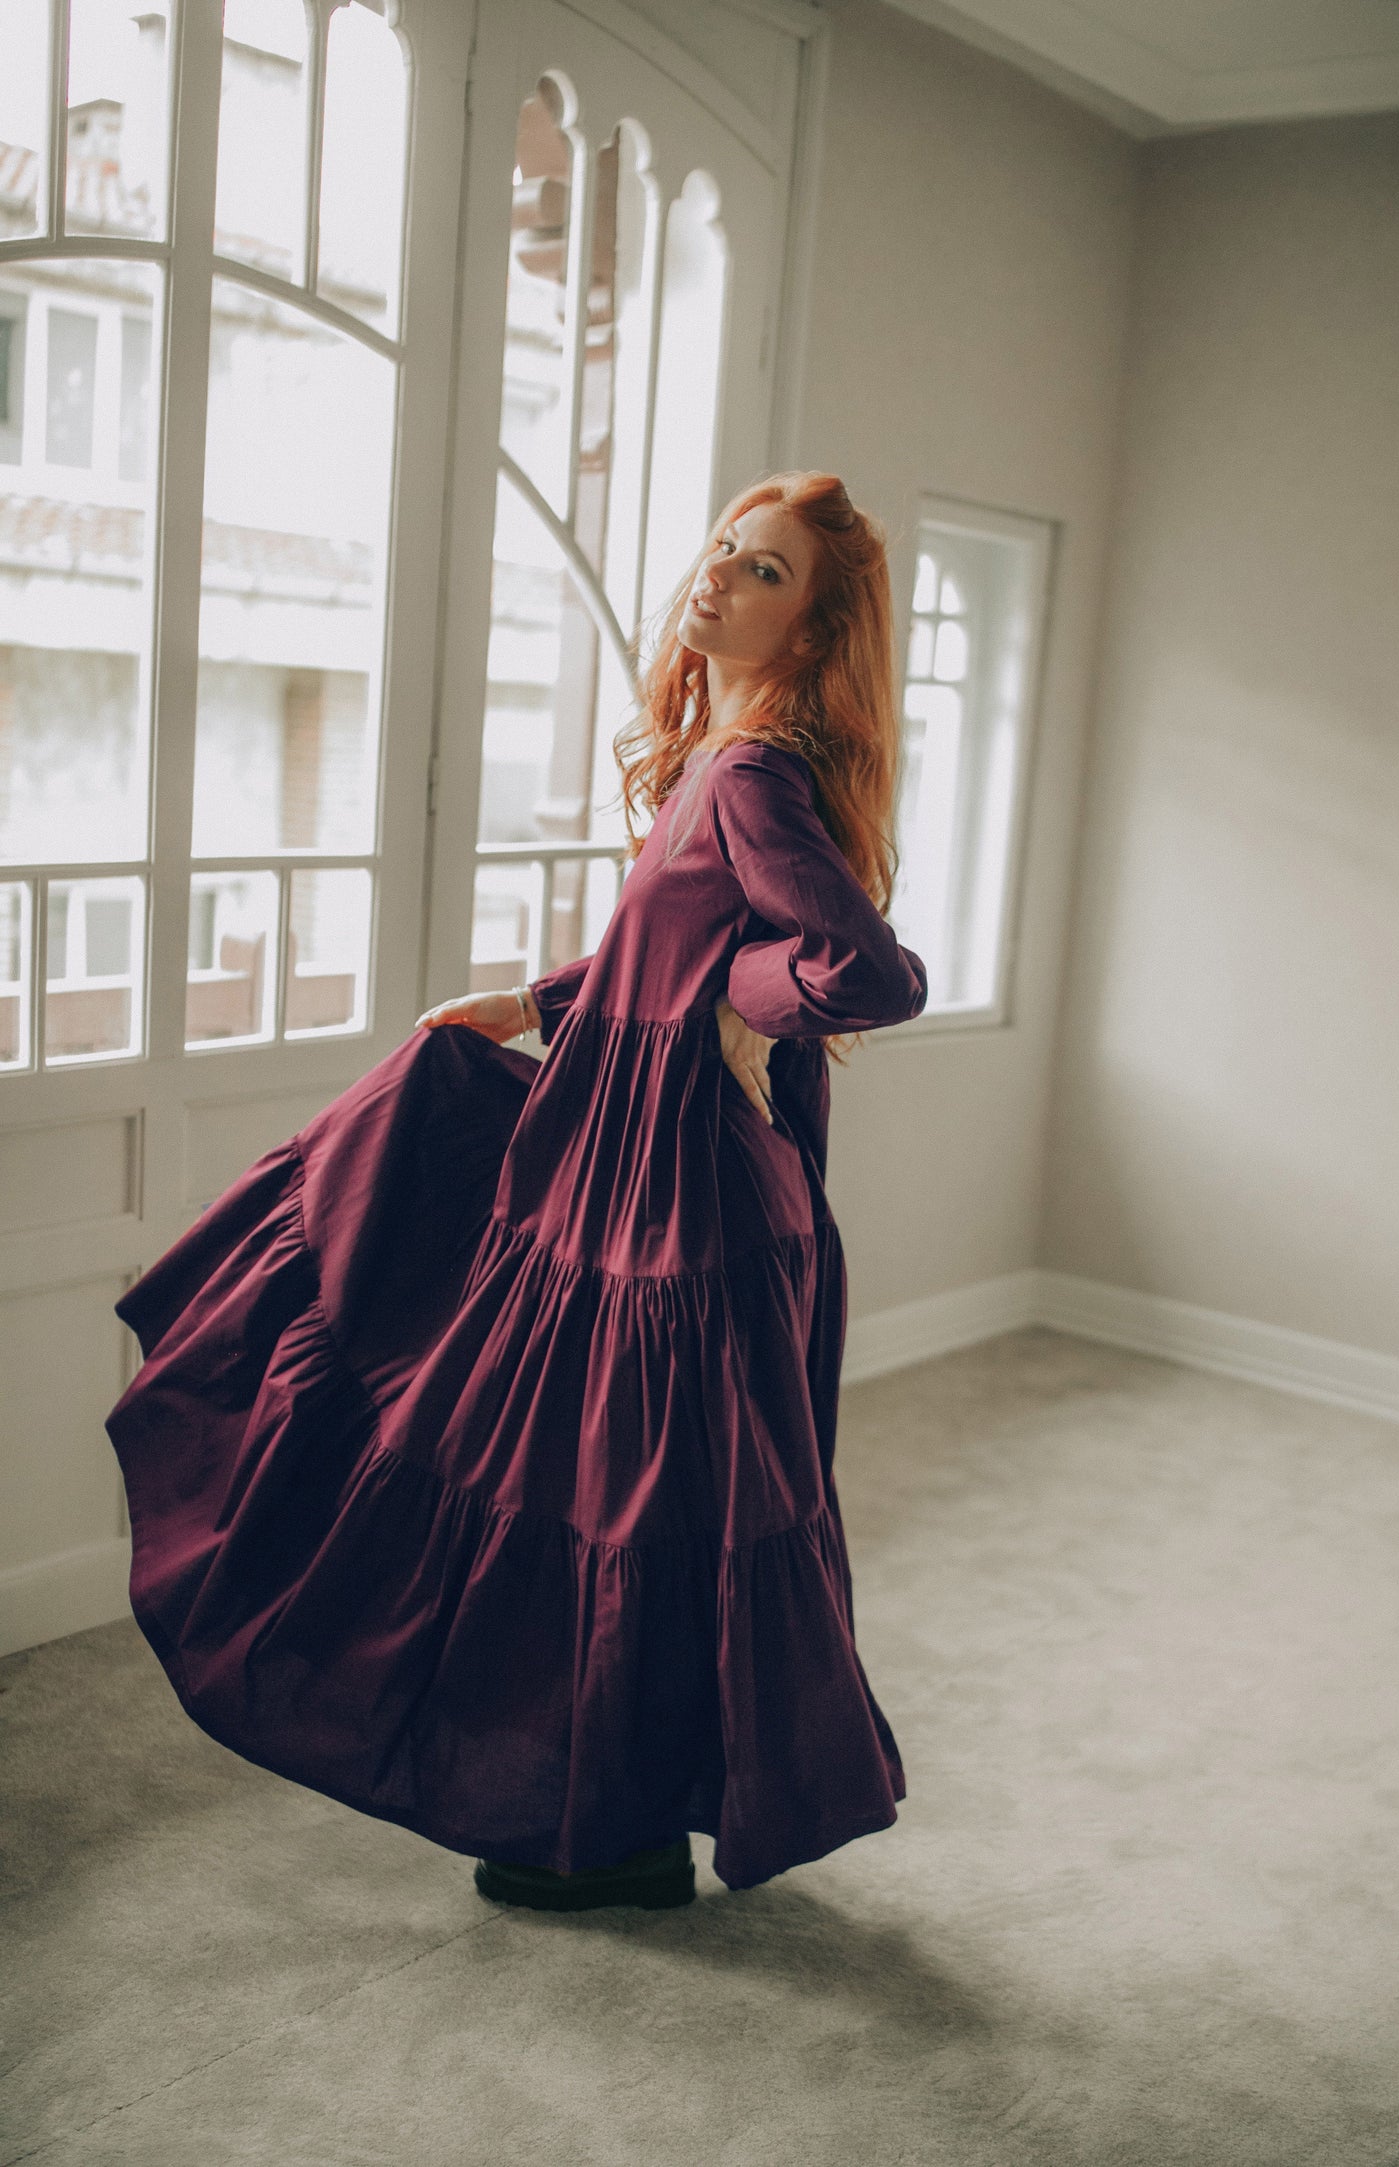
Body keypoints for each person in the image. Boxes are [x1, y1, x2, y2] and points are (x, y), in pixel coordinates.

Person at [105, 470, 928, 1915]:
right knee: (631, 1503)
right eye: (724, 557)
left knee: (634, 1506)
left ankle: (615, 1834)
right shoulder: (718, 759)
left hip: (682, 1202)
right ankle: (616, 1819)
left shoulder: (750, 772)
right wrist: (538, 997)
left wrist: (734, 1001)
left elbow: (873, 974)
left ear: (817, 626)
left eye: (765, 575)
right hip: (639, 1175)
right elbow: (657, 956)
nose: (718, 584)